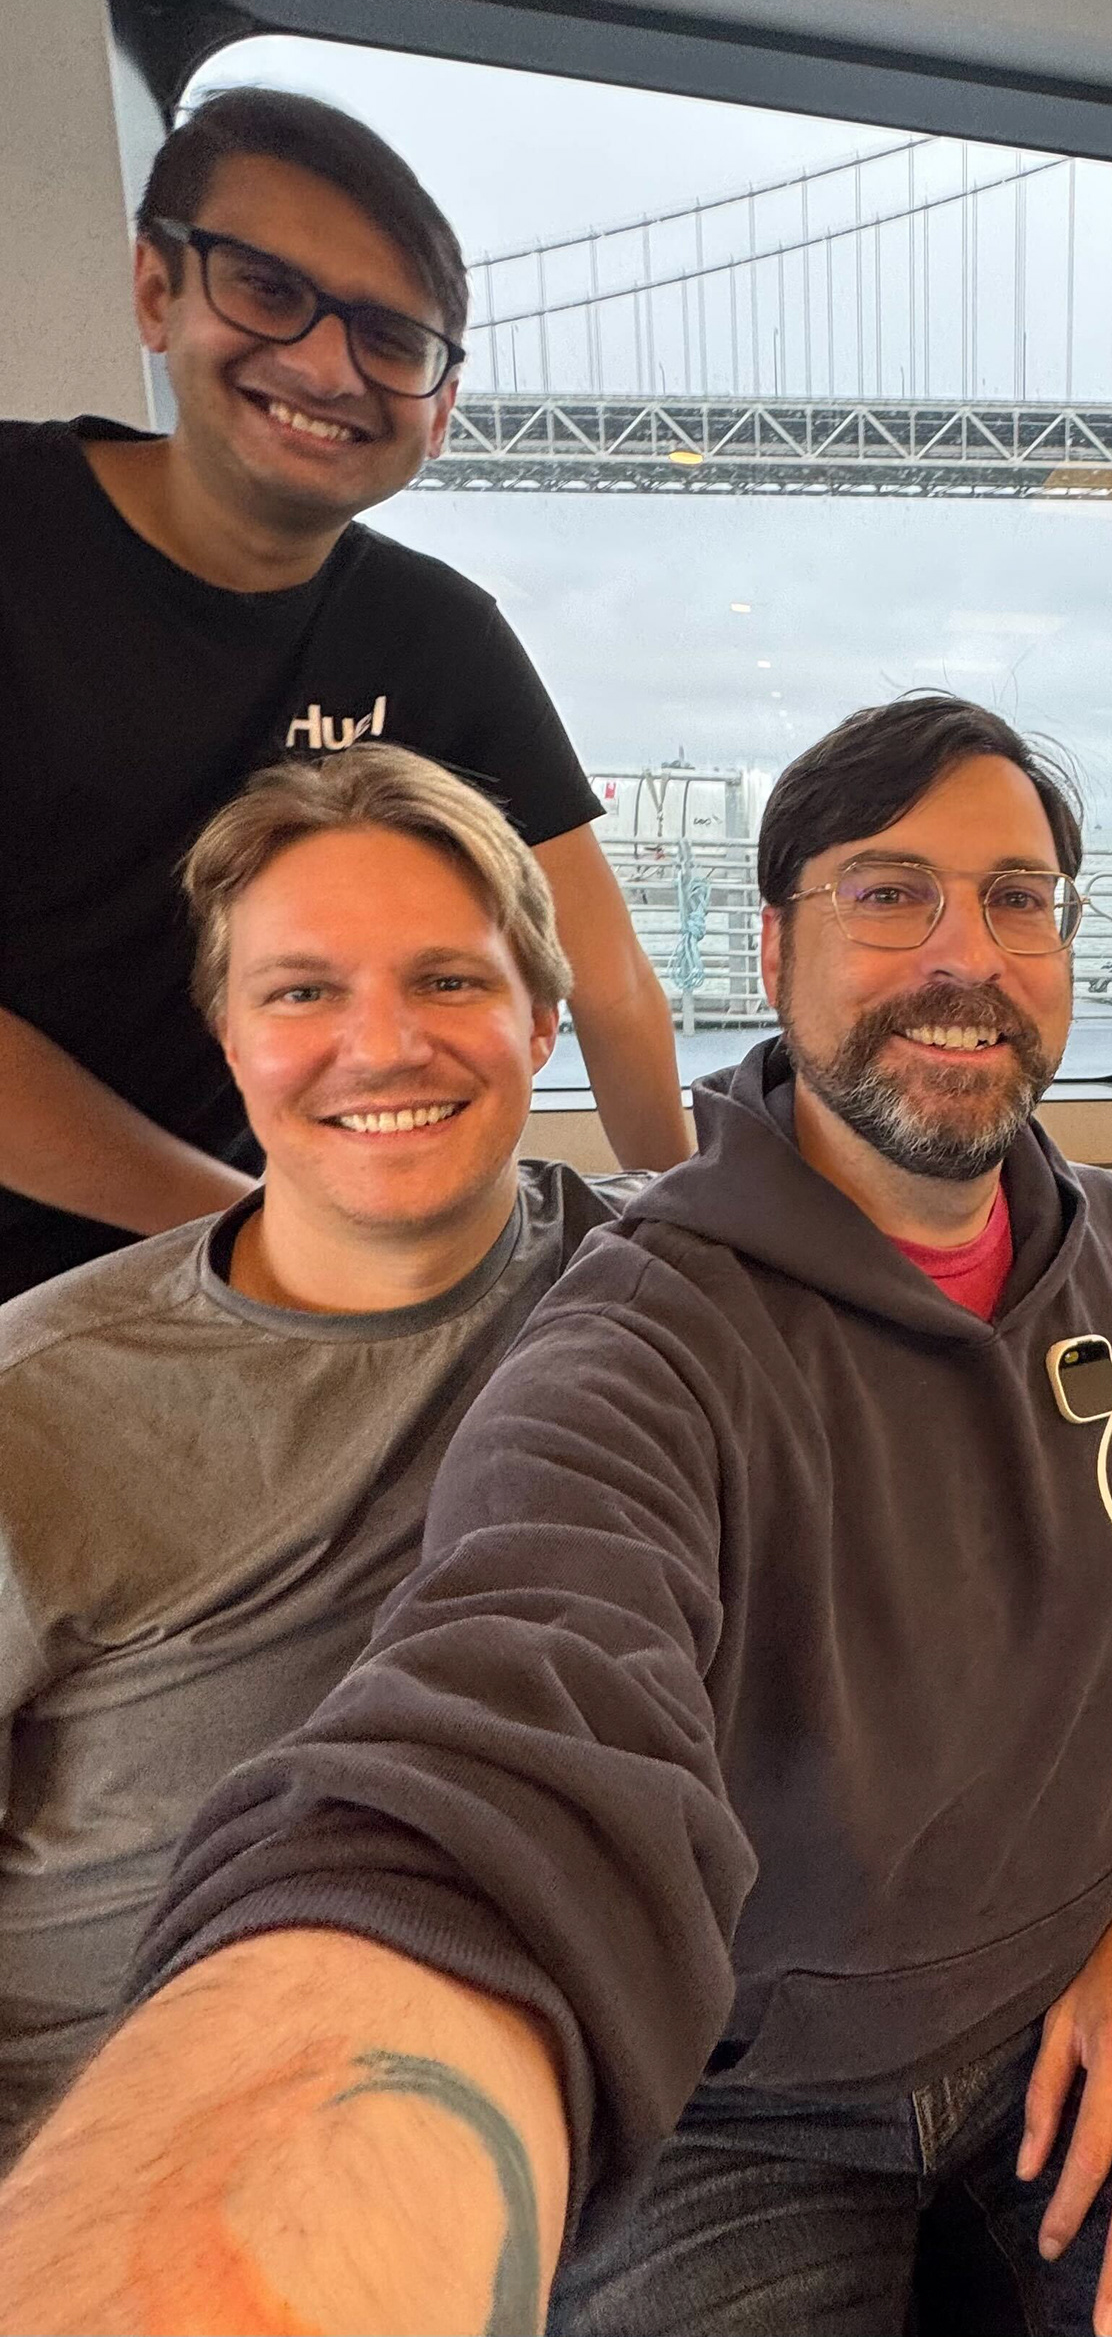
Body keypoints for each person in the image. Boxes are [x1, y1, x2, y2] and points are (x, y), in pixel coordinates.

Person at [0, 694, 1112, 2337]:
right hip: (730, 2108)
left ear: (541, 1025)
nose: (962, 954)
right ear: (770, 954)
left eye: (1018, 897)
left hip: (1094, 2000)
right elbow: (520, 1714)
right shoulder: (635, 1327)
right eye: (889, 893)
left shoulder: (1108, 1249)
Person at [0, 743, 657, 2151]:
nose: (383, 1046)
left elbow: (899, 1234)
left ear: (542, 1022)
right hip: (116, 2156)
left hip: (510, 2137)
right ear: (229, 1040)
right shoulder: (40, 1401)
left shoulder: (661, 1292)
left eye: (448, 980)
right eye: (304, 992)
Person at [0, 84, 690, 1308]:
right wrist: (257, 1231)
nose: (325, 365)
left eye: (389, 337)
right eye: (266, 290)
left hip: (211, 1286)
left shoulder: (429, 632)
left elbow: (609, 981)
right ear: (157, 293)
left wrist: (697, 1263)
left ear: (440, 411)